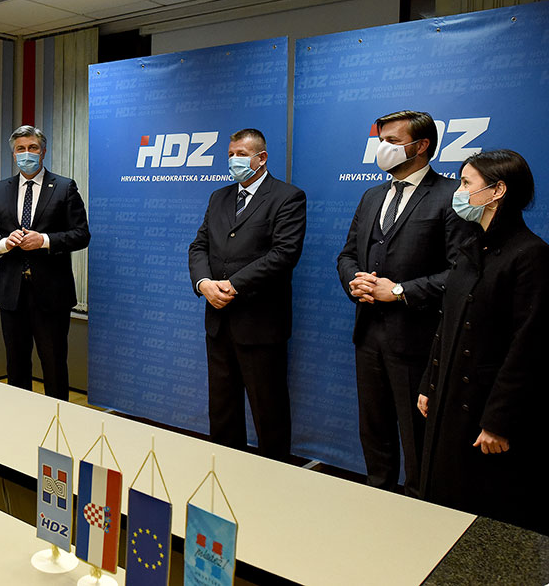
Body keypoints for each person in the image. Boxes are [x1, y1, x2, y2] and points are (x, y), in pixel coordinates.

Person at [337, 111, 471, 496]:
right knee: (373, 431)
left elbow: (461, 274)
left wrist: (399, 291)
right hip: (368, 336)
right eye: (381, 140)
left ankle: (418, 509)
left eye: (393, 141)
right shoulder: (372, 196)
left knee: (418, 438)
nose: (383, 148)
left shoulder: (452, 196)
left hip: (418, 342)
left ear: (421, 145)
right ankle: (377, 499)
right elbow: (347, 255)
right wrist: (355, 280)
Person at [417, 149, 548, 534]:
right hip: (448, 400)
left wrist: (498, 421)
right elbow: (447, 323)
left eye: (466, 183)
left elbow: (528, 348)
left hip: (485, 410)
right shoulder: (471, 248)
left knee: (482, 515)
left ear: (497, 191)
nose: (458, 192)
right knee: (438, 504)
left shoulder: (530, 256)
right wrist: (428, 383)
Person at [188, 128, 306, 461]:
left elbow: (284, 254)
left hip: (260, 324)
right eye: (230, 155)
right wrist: (204, 283)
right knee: (222, 408)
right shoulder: (219, 197)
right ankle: (226, 469)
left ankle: (274, 475)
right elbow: (199, 246)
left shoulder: (287, 197)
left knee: (269, 411)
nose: (234, 161)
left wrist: (233, 284)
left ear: (261, 158)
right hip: (219, 320)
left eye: (241, 154)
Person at [0, 125, 90, 401]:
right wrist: (5, 243)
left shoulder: (64, 187)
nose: (27, 154)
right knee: (16, 365)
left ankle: (58, 420)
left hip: (52, 294)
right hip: (11, 294)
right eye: (21, 149)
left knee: (54, 365)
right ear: (14, 154)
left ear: (43, 151)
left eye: (32, 148)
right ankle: (19, 417)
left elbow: (81, 235)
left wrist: (44, 240)